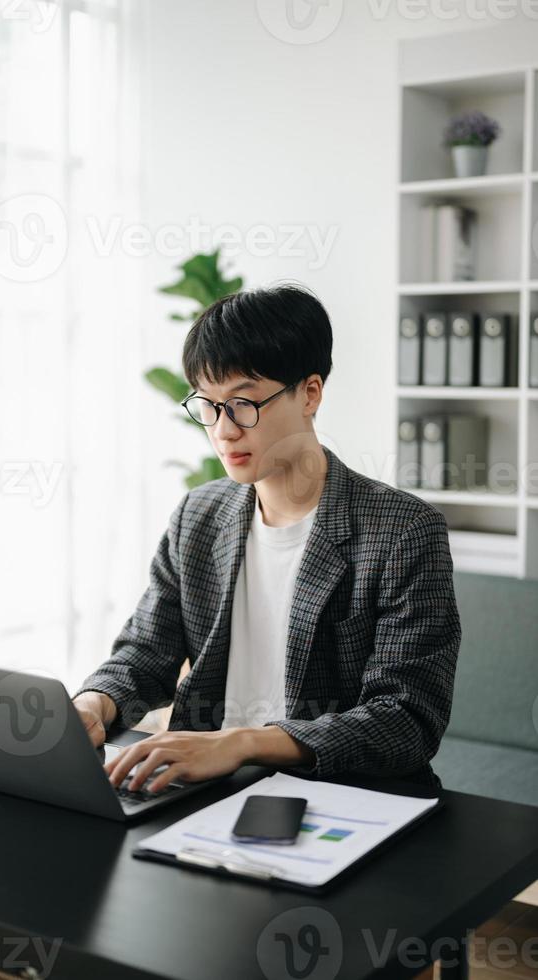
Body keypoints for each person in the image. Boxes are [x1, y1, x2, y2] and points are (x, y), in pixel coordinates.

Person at [72, 282, 461, 796]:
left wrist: (241, 743)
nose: (223, 430)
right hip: (207, 789)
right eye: (207, 406)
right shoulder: (199, 516)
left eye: (242, 404)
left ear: (310, 392)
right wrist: (93, 703)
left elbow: (406, 721)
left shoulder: (403, 533)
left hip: (347, 797)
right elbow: (144, 654)